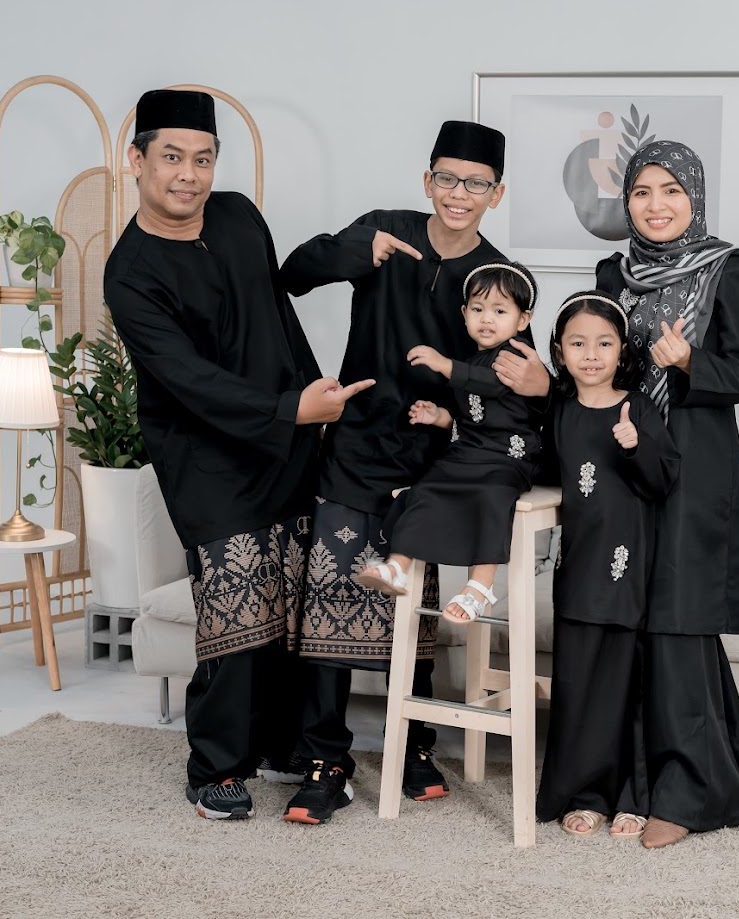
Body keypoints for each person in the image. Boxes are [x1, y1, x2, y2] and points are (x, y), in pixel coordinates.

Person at [104, 89, 373, 821]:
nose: (187, 175)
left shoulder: (238, 216)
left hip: (288, 439)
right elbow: (187, 379)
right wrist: (290, 410)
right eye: (171, 157)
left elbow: (276, 317)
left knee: (293, 596)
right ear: (136, 161)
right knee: (238, 602)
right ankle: (215, 766)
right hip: (207, 457)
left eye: (202, 159)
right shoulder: (129, 272)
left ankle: (284, 744)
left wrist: (310, 406)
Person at [278, 120, 552, 825]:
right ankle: (324, 759)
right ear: (427, 180)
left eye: (476, 183)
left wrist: (541, 383)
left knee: (416, 603)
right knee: (333, 591)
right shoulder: (385, 231)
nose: (459, 193)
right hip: (355, 445)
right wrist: (353, 251)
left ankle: (413, 745)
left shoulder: (495, 278)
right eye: (447, 178)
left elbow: (511, 389)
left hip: (435, 459)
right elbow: (293, 275)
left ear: (496, 194)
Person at [595, 140, 739, 849]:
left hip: (695, 464)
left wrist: (686, 362)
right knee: (633, 621)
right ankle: (659, 779)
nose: (656, 205)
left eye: (671, 190)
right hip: (624, 454)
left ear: (695, 198)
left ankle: (685, 795)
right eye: (642, 192)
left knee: (678, 622)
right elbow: (598, 362)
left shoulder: (732, 266)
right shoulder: (612, 273)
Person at [534, 292, 680, 841]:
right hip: (578, 565)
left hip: (628, 566)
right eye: (578, 343)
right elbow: (539, 469)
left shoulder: (637, 407)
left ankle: (632, 797)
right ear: (559, 351)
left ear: (622, 350)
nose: (591, 354)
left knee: (626, 685)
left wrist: (635, 444)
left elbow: (663, 479)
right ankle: (584, 795)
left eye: (603, 343)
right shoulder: (558, 411)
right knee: (576, 684)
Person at [356, 261, 542, 622]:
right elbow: (471, 415)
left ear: (522, 319)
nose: (486, 319)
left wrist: (445, 365)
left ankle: (480, 586)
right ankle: (397, 565)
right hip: (467, 456)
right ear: (464, 313)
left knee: (493, 497)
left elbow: (493, 383)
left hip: (507, 461)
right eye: (478, 309)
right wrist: (439, 416)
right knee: (424, 490)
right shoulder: (472, 359)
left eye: (499, 311)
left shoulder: (516, 355)